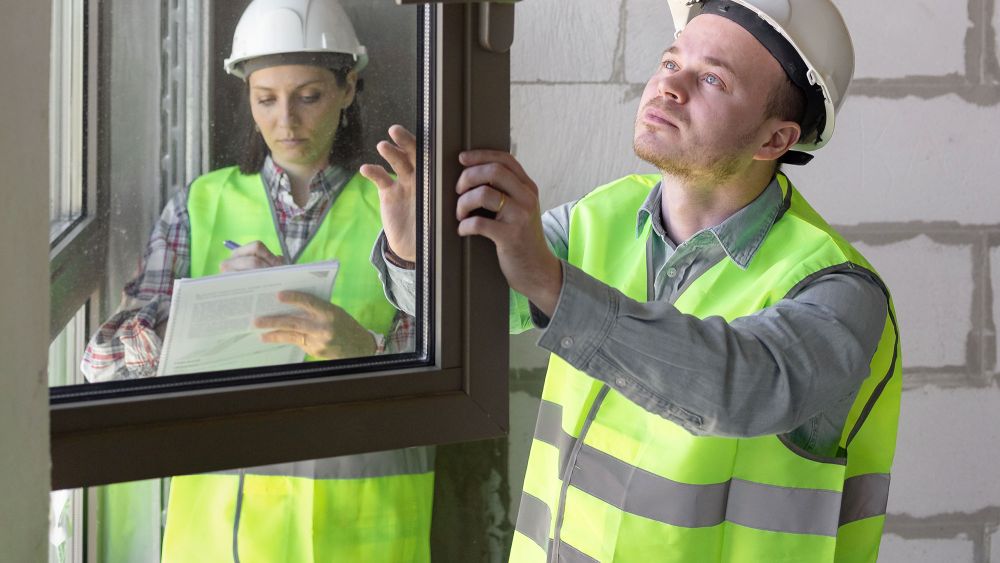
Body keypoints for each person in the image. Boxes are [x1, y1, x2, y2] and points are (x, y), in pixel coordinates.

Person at [370, 0, 900, 561]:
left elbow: (745, 389)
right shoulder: (601, 217)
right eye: (671, 62)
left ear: (774, 140)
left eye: (714, 78)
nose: (673, 87)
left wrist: (554, 286)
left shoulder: (836, 289)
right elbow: (472, 316)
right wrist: (413, 259)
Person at [81, 0, 433, 561]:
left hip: (362, 536)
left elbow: (454, 364)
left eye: (309, 96)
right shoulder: (199, 205)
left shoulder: (401, 207)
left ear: (348, 89)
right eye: (265, 99)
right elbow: (100, 366)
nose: (285, 121)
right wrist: (206, 311)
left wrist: (365, 350)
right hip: (217, 540)